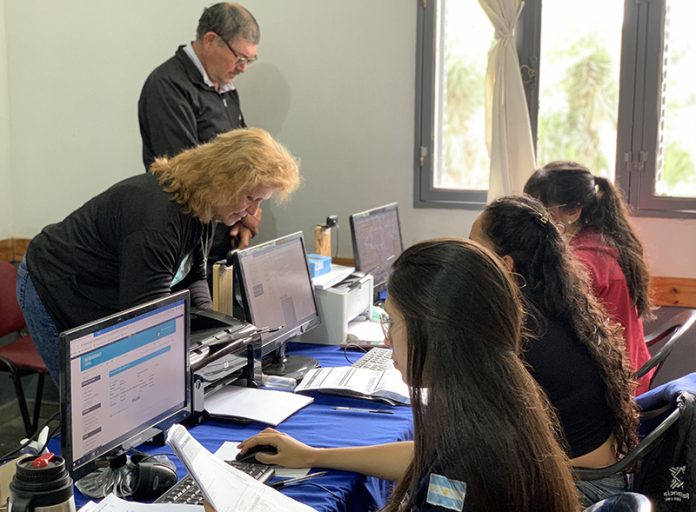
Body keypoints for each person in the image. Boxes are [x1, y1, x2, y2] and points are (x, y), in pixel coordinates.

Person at [236, 239, 582, 511]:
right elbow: (423, 457)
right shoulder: (494, 395)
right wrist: (313, 456)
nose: (387, 340)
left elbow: (445, 476)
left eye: (393, 322)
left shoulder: (463, 468)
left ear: (434, 334)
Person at [16, 127, 299, 382]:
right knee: (87, 396)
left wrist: (219, 331)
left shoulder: (202, 204)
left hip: (109, 287)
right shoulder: (157, 223)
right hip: (55, 282)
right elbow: (148, 323)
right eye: (250, 198)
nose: (252, 212)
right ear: (223, 181)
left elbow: (193, 276)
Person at [470, 195, 639, 505]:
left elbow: (468, 444)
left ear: (505, 265)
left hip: (583, 490)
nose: (467, 258)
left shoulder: (526, 334)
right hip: (600, 477)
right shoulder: (555, 304)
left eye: (475, 249)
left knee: (446, 484)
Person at [138, 2, 262, 258]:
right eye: (240, 58)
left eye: (249, 60)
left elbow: (247, 158)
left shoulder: (226, 88)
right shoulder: (167, 85)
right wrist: (244, 213)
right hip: (184, 241)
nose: (243, 68)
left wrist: (247, 214)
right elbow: (187, 172)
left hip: (224, 236)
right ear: (210, 40)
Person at [524, 161, 654, 394]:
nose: (531, 219)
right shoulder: (604, 240)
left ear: (574, 211)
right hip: (634, 371)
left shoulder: (583, 263)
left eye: (540, 212)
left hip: (616, 388)